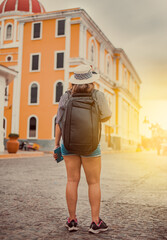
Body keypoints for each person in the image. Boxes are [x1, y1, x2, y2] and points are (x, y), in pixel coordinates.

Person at [53, 64, 111, 234]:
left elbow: (59, 122)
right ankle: (95, 222)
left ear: (74, 81)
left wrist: (57, 145)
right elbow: (106, 116)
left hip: (68, 144)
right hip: (91, 144)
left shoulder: (66, 97)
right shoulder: (97, 95)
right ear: (90, 79)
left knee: (72, 180)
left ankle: (72, 221)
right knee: (93, 182)